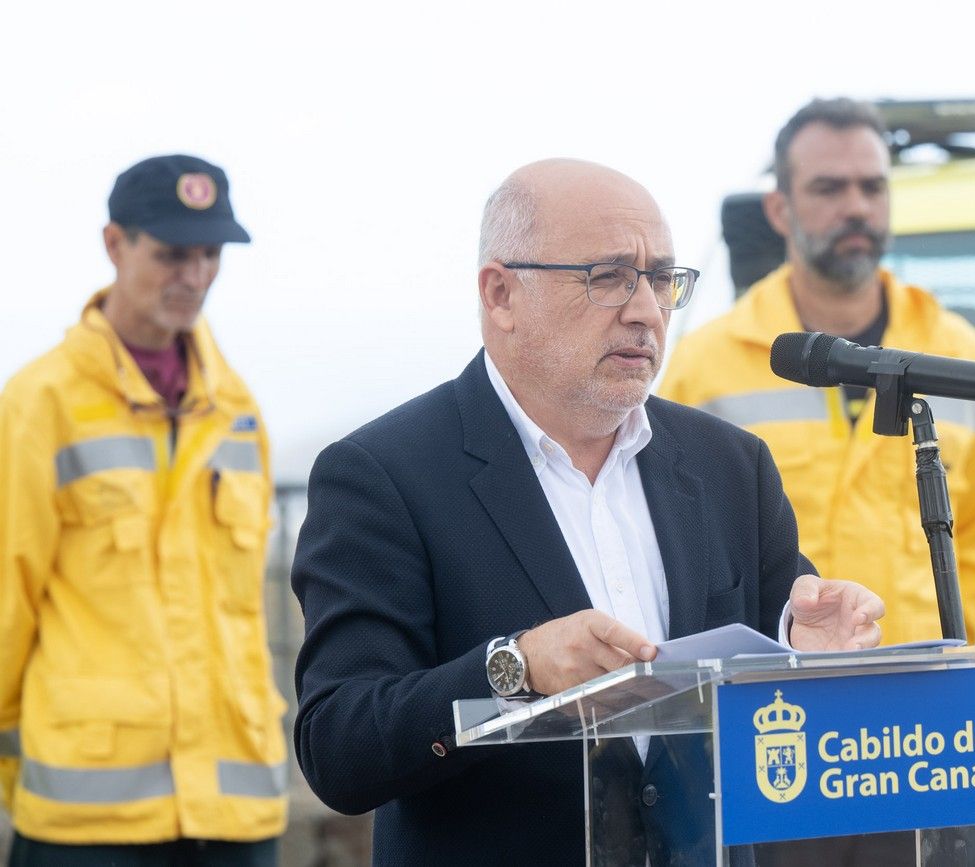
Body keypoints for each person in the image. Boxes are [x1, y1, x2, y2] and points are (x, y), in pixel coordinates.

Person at [290, 158, 885, 866]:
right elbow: (341, 746)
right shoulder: (384, 474)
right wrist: (514, 667)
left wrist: (804, 652)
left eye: (662, 279)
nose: (644, 310)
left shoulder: (731, 464)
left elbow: (773, 666)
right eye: (607, 277)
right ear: (501, 292)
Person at [0, 155, 286, 865]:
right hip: (88, 822)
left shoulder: (238, 410)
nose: (194, 276)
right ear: (114, 244)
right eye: (171, 254)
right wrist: (18, 766)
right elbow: (7, 605)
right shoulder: (42, 403)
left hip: (236, 811)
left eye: (210, 254)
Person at [659, 97, 975, 645]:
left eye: (872, 187)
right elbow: (685, 549)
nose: (856, 207)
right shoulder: (704, 365)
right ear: (779, 209)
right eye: (829, 188)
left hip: (926, 698)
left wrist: (945, 652)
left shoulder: (958, 353)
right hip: (780, 703)